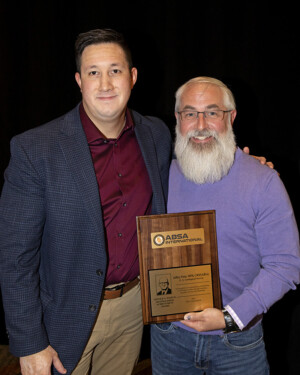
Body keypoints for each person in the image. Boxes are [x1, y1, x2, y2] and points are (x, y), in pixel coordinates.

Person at [0, 28, 172, 375]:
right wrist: (30, 341)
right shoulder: (36, 149)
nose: (105, 84)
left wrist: (246, 167)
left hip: (132, 310)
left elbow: (197, 170)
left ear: (133, 77)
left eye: (115, 70)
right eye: (94, 72)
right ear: (79, 80)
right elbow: (16, 257)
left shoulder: (156, 134)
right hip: (62, 318)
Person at [151, 76, 300, 375]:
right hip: (169, 338)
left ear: (230, 117)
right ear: (178, 120)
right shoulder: (159, 175)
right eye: (190, 113)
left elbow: (285, 266)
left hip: (237, 341)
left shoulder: (263, 181)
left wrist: (229, 317)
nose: (201, 123)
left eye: (212, 112)